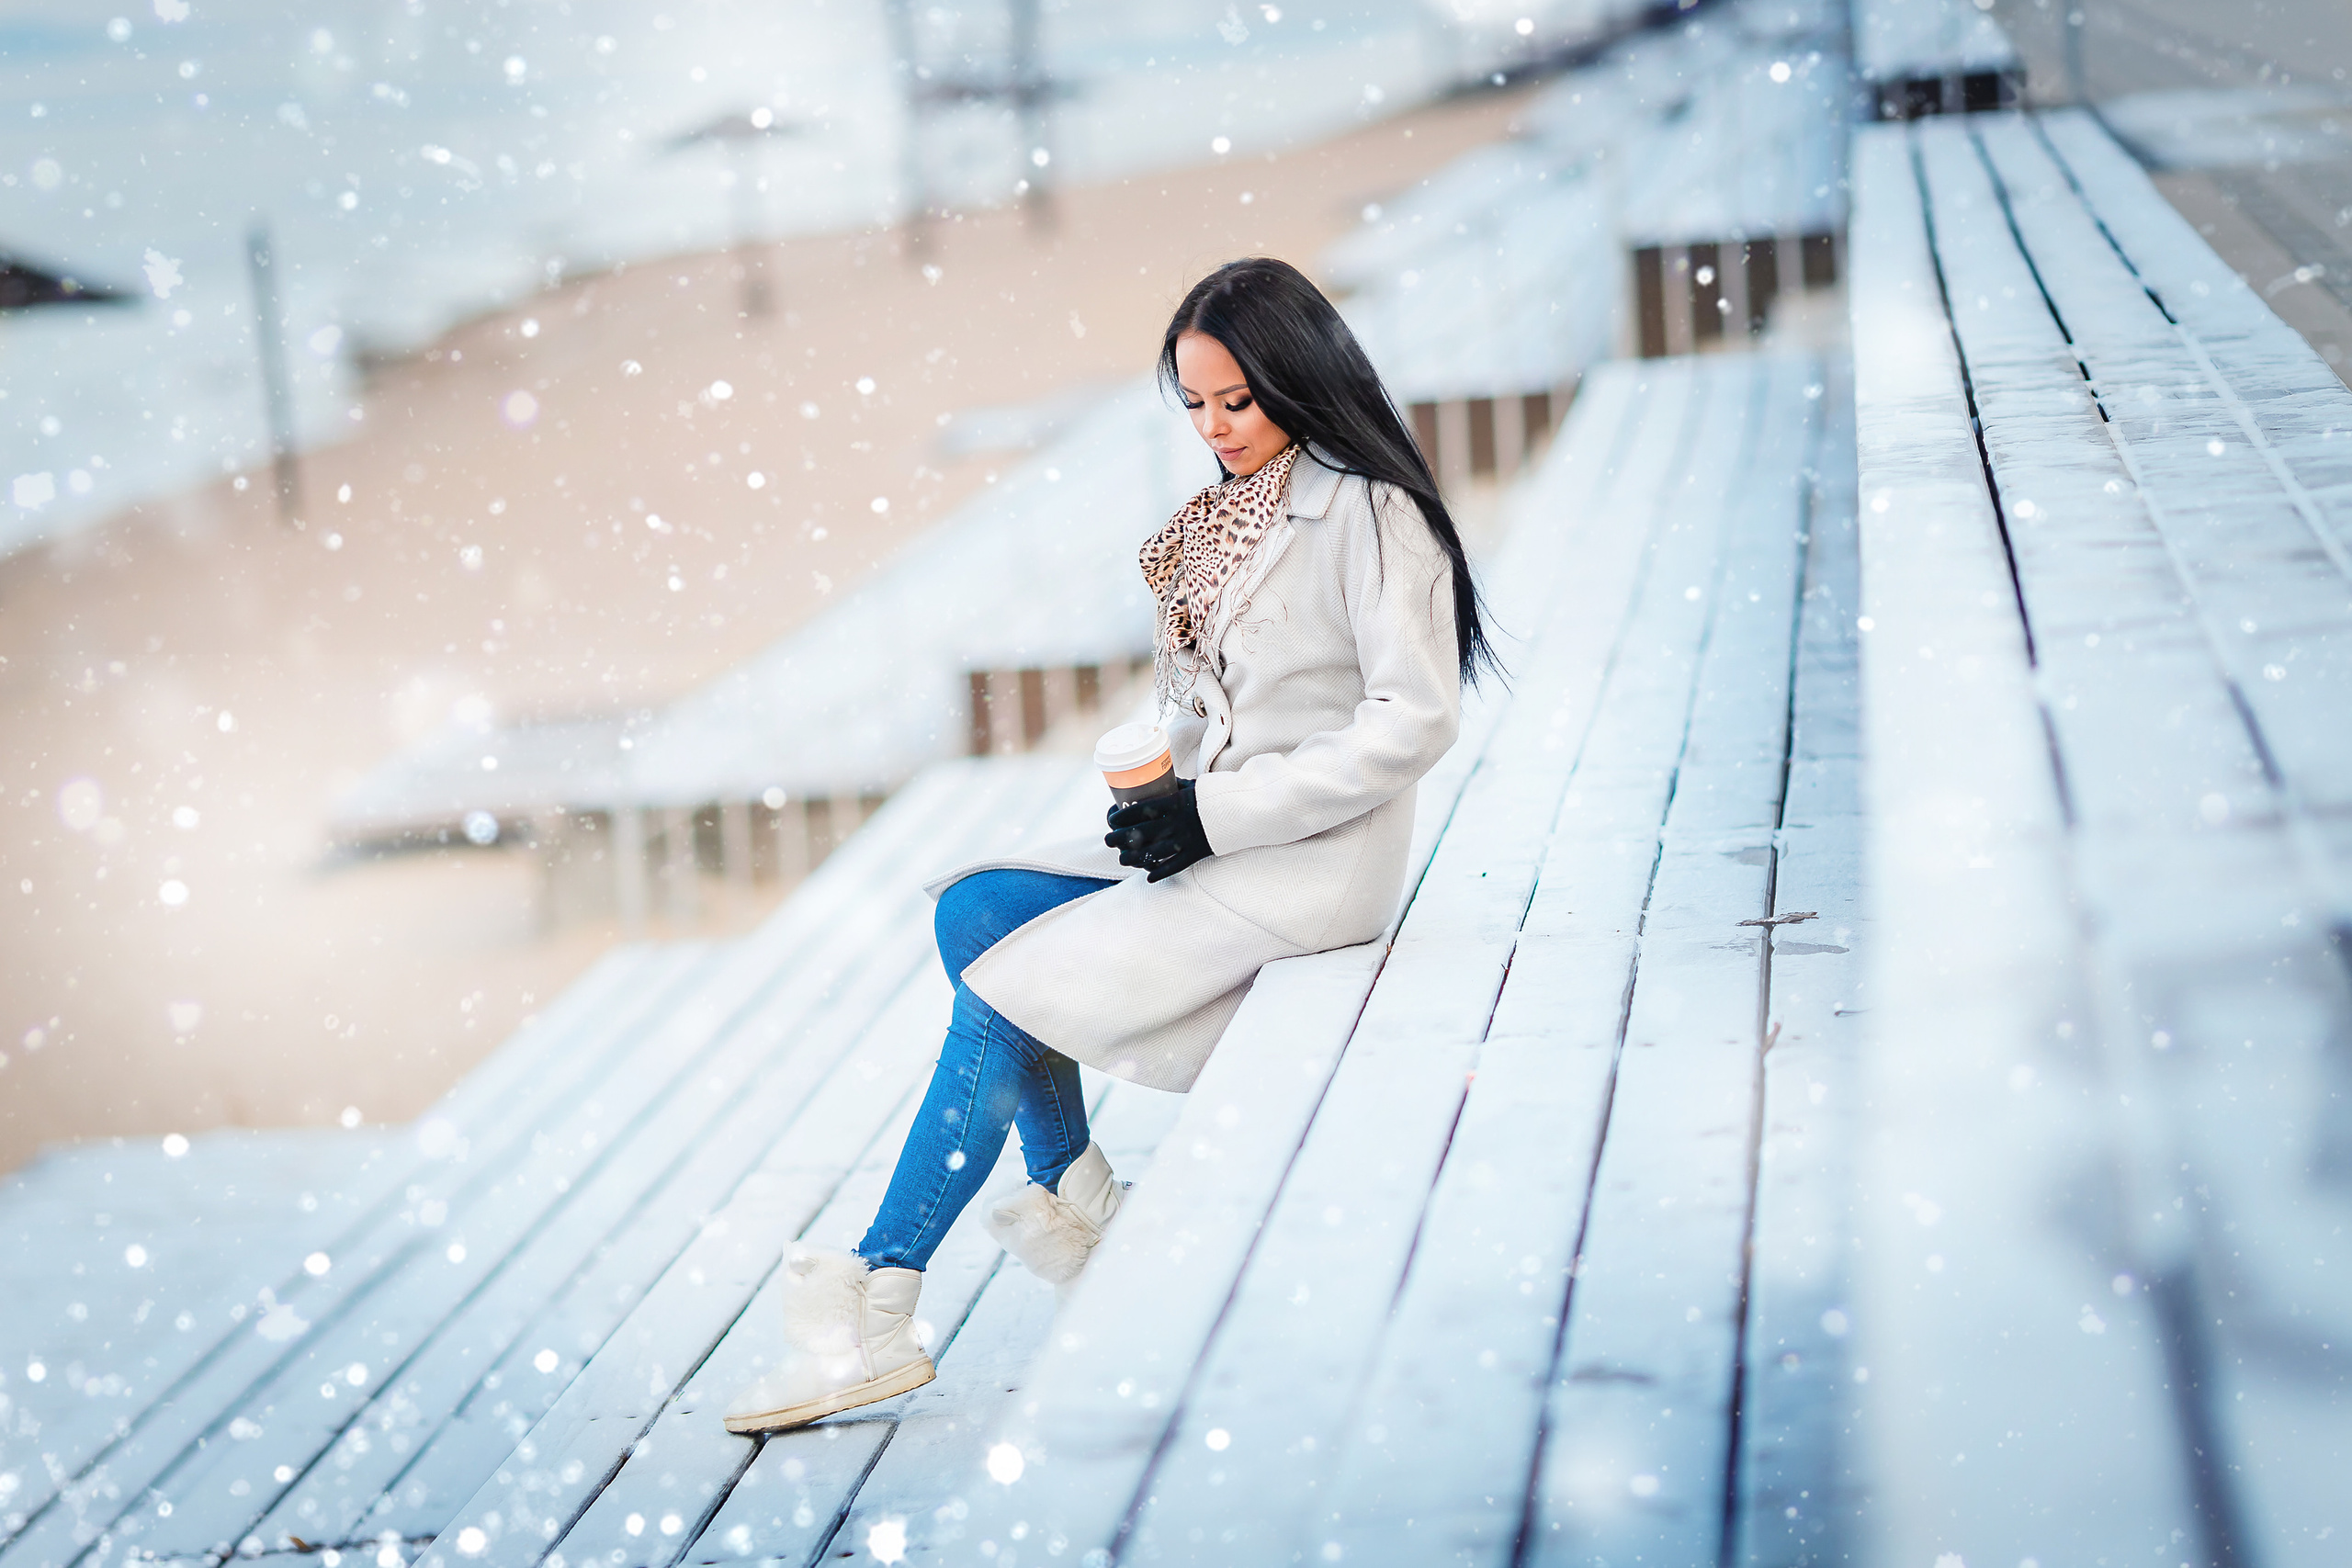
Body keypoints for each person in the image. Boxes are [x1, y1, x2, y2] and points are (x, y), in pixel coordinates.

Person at [723, 256, 1497, 1435]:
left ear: (1300, 376)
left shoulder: (1371, 510)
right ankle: (1076, 1203)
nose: (1216, 428)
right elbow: (1222, 702)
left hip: (1310, 865)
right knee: (974, 913)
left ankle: (879, 1301)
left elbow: (1412, 723)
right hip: (1225, 829)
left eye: (1237, 400)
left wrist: (1215, 815)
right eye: (1193, 403)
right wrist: (1164, 788)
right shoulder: (1229, 518)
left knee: (1004, 995)